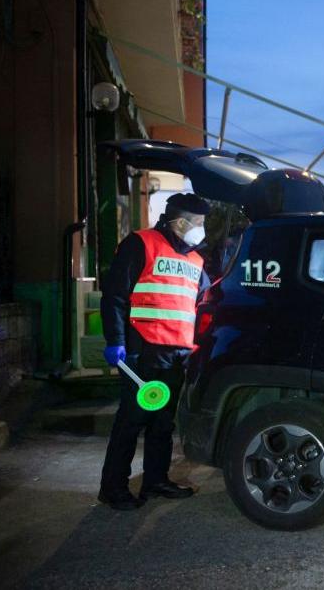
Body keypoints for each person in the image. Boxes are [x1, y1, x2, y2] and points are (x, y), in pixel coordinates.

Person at [98, 193, 211, 510]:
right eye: (198, 223)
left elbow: (199, 305)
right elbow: (116, 296)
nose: (200, 229)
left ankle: (156, 481)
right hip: (142, 350)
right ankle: (113, 488)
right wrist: (116, 340)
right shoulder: (140, 243)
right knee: (131, 421)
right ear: (179, 220)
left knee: (163, 423)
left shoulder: (196, 260)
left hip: (177, 354)